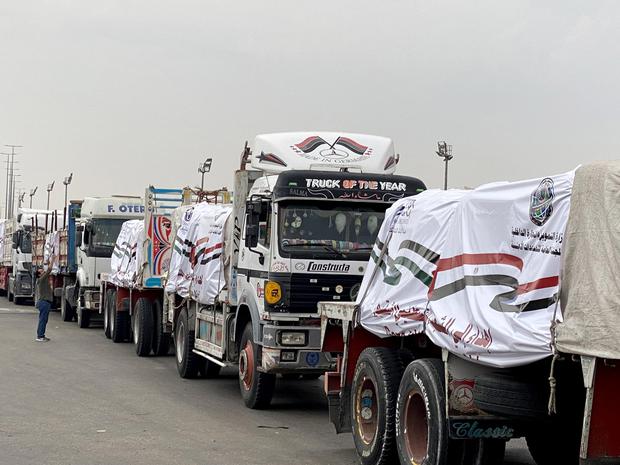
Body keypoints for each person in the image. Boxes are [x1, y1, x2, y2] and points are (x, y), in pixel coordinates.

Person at [35, 267, 53, 342]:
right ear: (39, 275)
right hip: (44, 302)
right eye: (42, 272)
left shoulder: (42, 280)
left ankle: (41, 335)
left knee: (43, 320)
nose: (44, 272)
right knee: (43, 320)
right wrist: (53, 259)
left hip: (44, 302)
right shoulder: (41, 280)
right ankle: (40, 336)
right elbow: (49, 270)